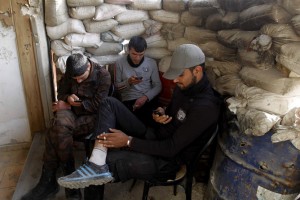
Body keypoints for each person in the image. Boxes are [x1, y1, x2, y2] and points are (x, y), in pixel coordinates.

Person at [57, 44, 221, 191]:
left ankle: (97, 163)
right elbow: (170, 112)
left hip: (167, 160)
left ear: (197, 71)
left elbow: (171, 148)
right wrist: (161, 113)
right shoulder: (183, 87)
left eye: (180, 75)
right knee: (108, 103)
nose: (176, 80)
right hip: (155, 135)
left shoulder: (206, 107)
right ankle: (96, 160)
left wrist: (128, 141)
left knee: (104, 164)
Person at [21, 53, 111, 200]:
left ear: (88, 66)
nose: (79, 81)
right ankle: (67, 181)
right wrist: (67, 98)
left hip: (93, 116)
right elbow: (61, 92)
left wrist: (70, 106)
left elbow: (100, 105)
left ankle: (51, 183)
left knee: (56, 132)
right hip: (72, 112)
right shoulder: (71, 73)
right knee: (58, 127)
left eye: (82, 77)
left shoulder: (103, 75)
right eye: (76, 79)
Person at [114, 36, 162, 125]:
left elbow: (158, 85)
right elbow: (116, 88)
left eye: (141, 54)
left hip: (147, 99)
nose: (137, 58)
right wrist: (128, 82)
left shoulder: (151, 63)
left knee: (155, 119)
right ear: (128, 50)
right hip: (129, 100)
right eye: (134, 54)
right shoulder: (119, 63)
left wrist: (145, 97)